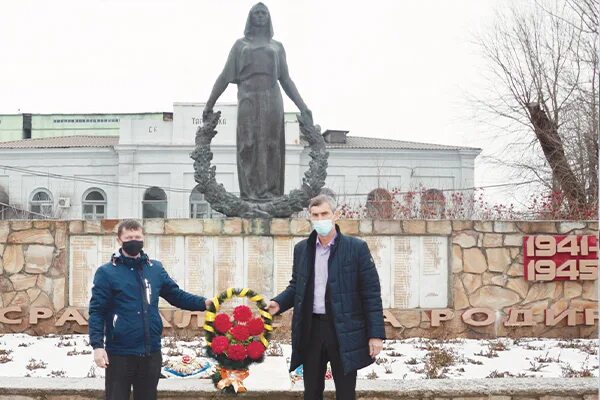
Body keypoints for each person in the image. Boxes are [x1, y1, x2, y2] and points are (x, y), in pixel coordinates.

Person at [268, 195, 385, 399]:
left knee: (345, 392)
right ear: (310, 218)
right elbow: (297, 286)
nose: (320, 219)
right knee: (311, 391)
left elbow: (371, 293)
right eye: (315, 215)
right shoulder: (302, 249)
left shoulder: (356, 248)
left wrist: (375, 335)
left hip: (343, 329)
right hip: (312, 330)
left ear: (335, 215)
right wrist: (278, 303)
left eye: (324, 214)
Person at [88, 219, 211, 400]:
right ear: (119, 240)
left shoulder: (155, 269)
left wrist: (204, 303)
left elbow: (176, 295)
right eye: (129, 237)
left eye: (137, 236)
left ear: (143, 238)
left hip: (150, 351)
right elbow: (97, 311)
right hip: (120, 352)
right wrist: (97, 346)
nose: (134, 240)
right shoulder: (106, 272)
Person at [203, 2, 312, 202]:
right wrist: (210, 103)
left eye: (264, 13)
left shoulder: (277, 47)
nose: (260, 16)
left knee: (271, 145)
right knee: (248, 144)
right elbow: (224, 77)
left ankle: (271, 192)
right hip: (248, 98)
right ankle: (250, 194)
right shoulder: (240, 45)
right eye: (257, 13)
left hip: (272, 98)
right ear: (250, 17)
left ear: (269, 18)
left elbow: (286, 80)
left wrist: (303, 107)